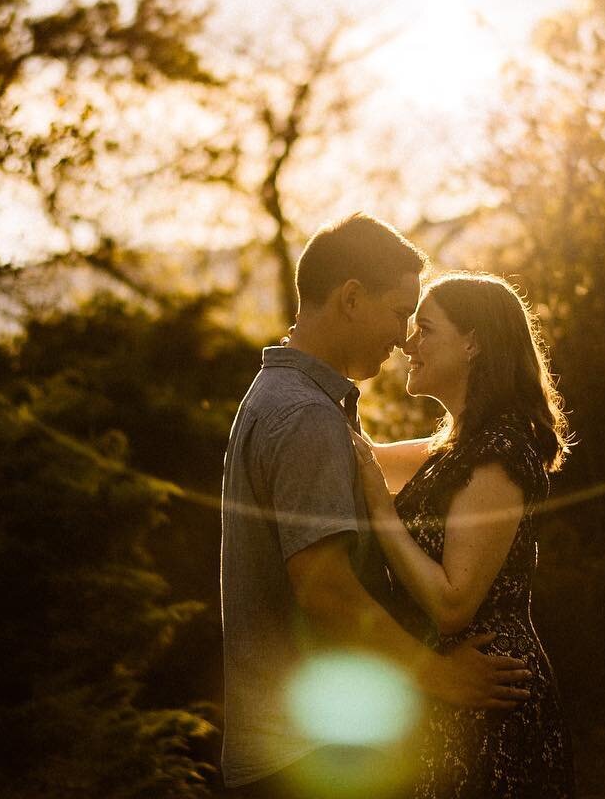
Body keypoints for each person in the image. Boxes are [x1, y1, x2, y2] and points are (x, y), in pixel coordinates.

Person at [220, 216, 533, 799]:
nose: (402, 335)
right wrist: (440, 676)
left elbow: (457, 453)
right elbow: (324, 588)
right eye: (398, 312)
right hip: (305, 755)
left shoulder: (298, 403)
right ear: (351, 298)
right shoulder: (305, 416)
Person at [351, 271, 576, 798]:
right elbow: (360, 456)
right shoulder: (455, 447)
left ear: (473, 342)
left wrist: (381, 513)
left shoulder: (498, 453)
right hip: (452, 692)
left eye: (425, 329)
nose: (409, 343)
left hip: (490, 698)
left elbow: (454, 604)